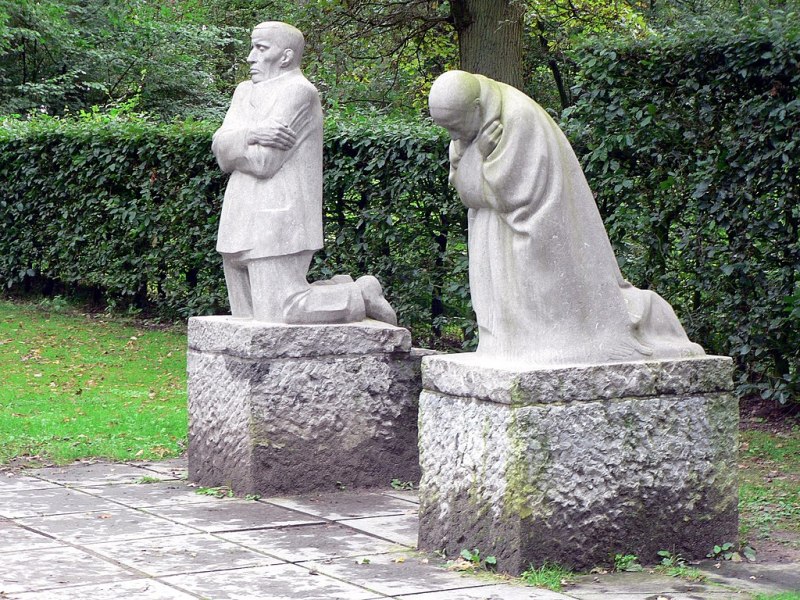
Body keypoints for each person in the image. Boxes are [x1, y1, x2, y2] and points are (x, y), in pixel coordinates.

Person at [428, 70, 703, 365]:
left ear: (477, 108)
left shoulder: (517, 119)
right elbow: (468, 192)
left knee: (547, 311)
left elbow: (505, 194)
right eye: (447, 129)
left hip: (533, 230)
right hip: (494, 231)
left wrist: (477, 161)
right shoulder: (472, 129)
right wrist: (477, 155)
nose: (453, 136)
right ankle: (511, 343)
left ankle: (546, 343)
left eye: (455, 126)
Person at [212, 21, 396, 325]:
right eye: (252, 46)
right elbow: (219, 149)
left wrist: (236, 141)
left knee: (281, 311)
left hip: (278, 218)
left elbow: (263, 162)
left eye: (260, 48)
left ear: (285, 56)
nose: (249, 57)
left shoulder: (299, 92)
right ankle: (342, 289)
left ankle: (359, 295)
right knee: (247, 317)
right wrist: (255, 131)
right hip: (238, 216)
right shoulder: (243, 92)